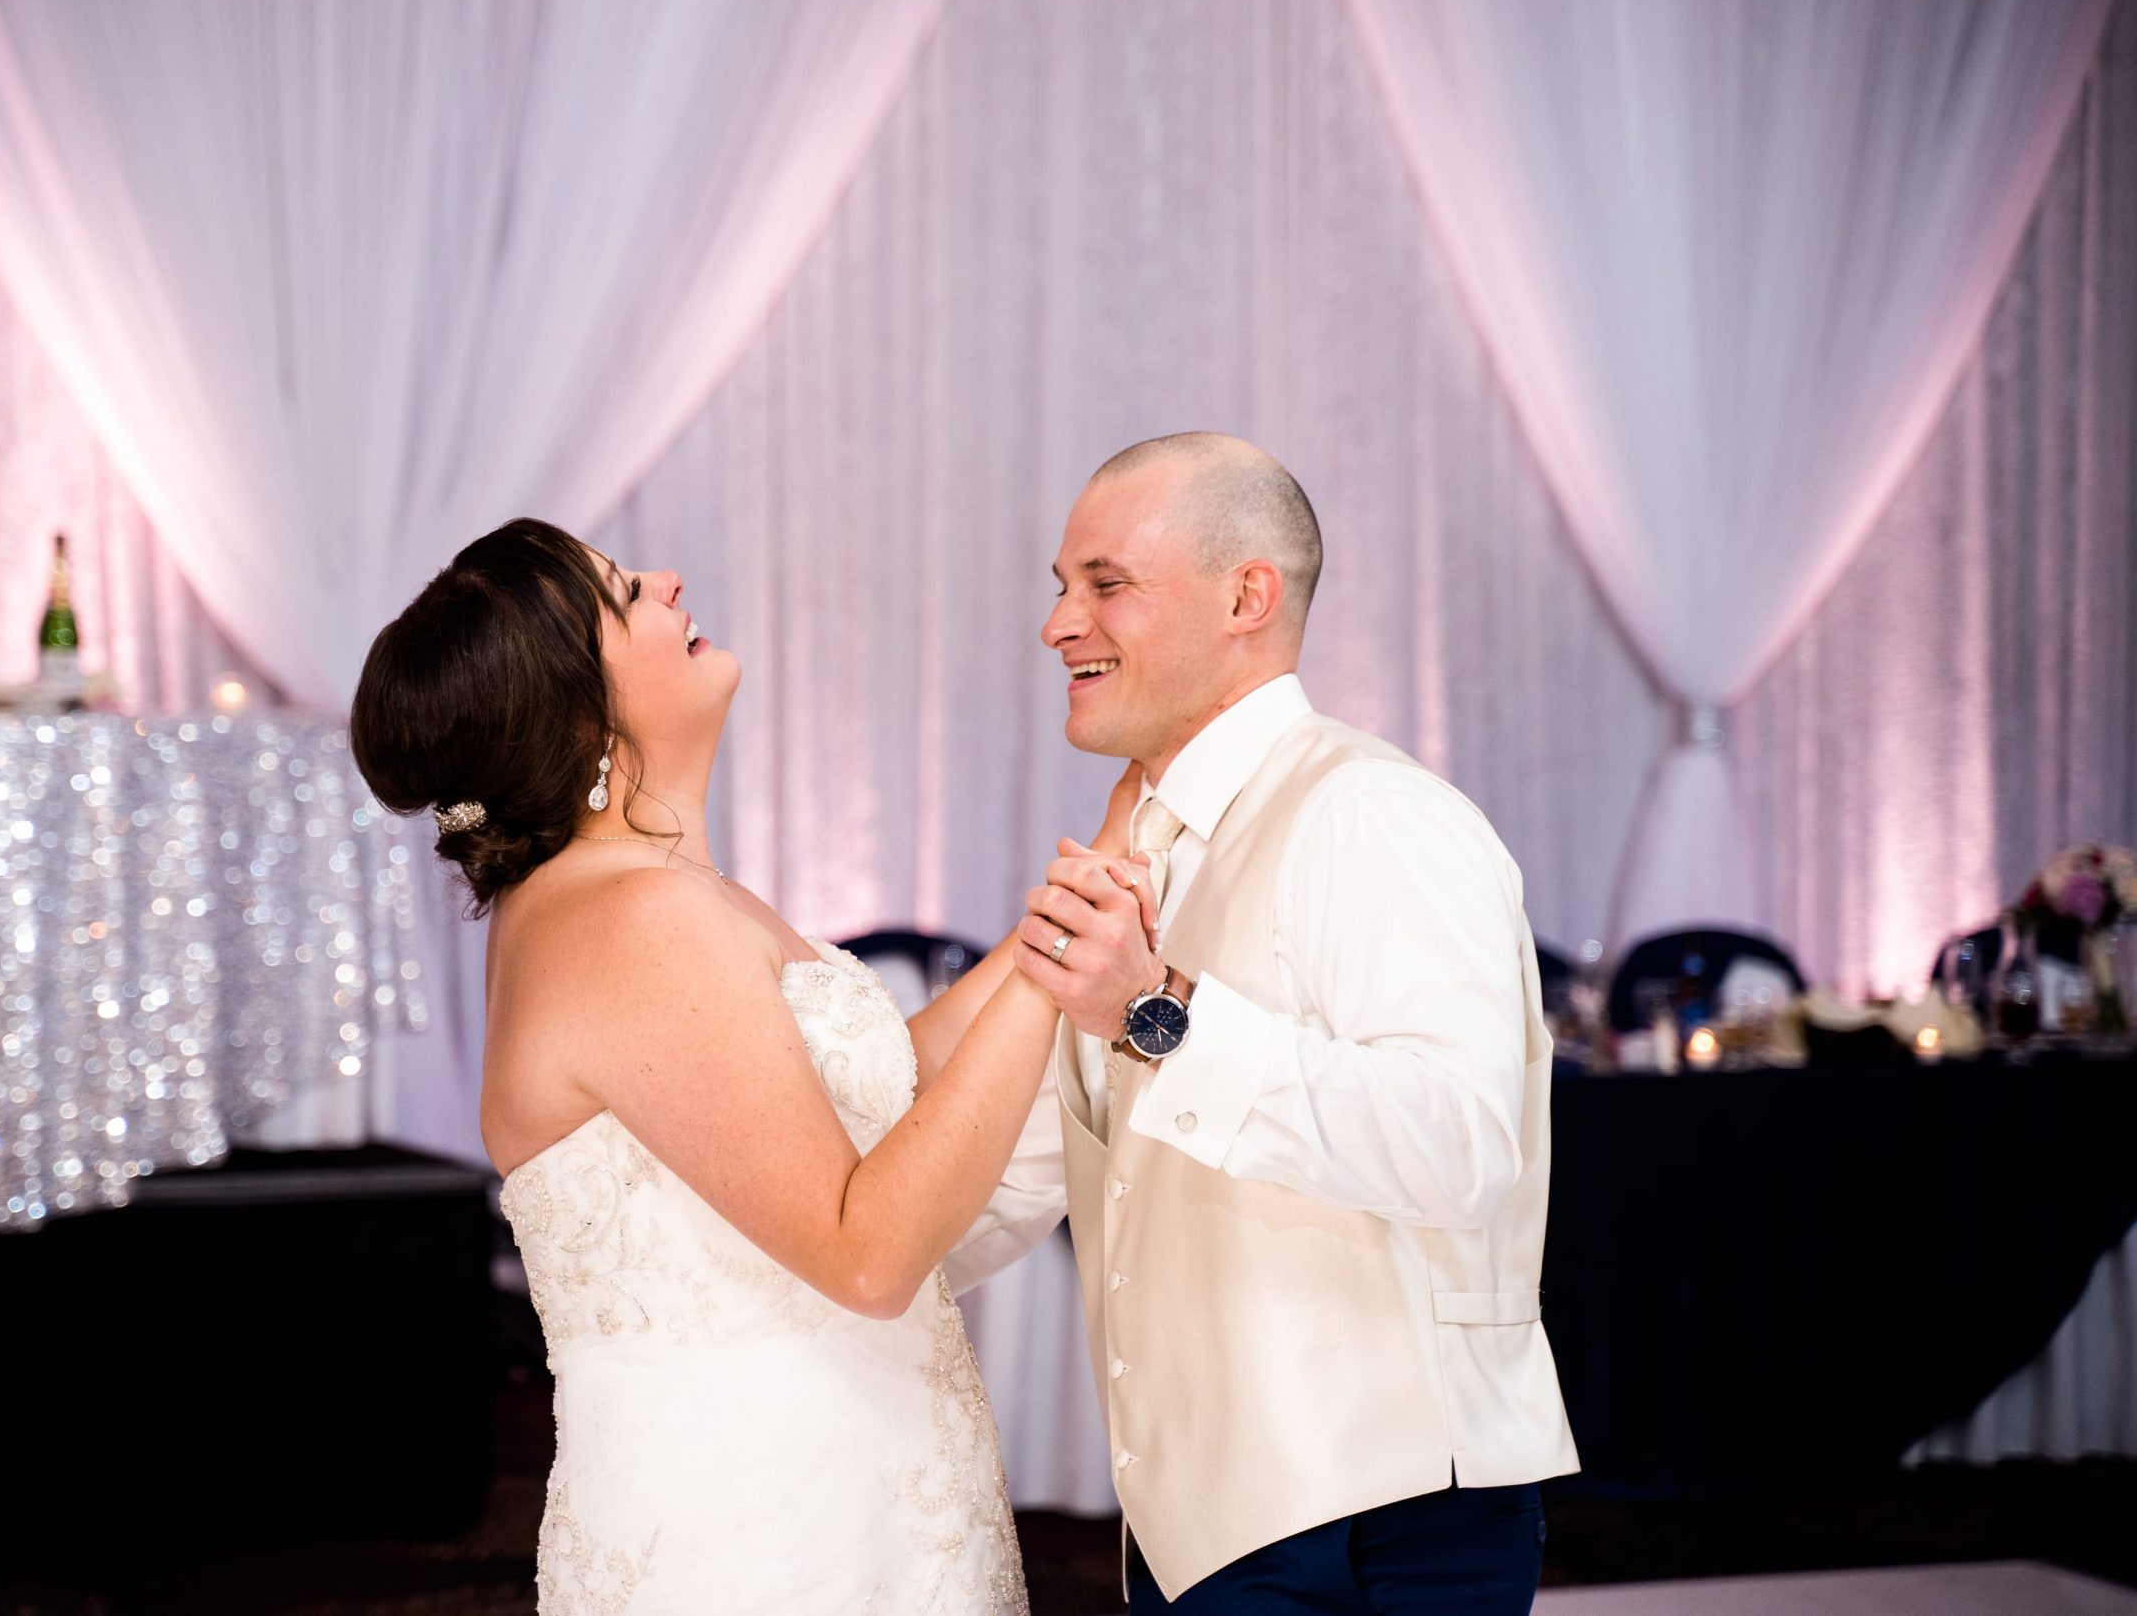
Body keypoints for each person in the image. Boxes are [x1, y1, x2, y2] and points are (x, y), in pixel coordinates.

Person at [350, 518, 1137, 1614]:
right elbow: (865, 1253)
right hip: (765, 1523)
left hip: (840, 1473)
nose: (668, 579)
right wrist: (1062, 964)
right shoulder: (634, 922)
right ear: (579, 711)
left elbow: (874, 1098)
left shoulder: (637, 898)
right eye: (625, 593)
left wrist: (1091, 880)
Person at [950, 433, 1580, 1614]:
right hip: (1196, 1535)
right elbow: (1037, 1167)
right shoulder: (1136, 847)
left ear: (1247, 595)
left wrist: (1159, 1015)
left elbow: (1460, 1147)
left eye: (1104, 584)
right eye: (1059, 588)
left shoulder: (1373, 815)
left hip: (1381, 1528)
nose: (1057, 625)